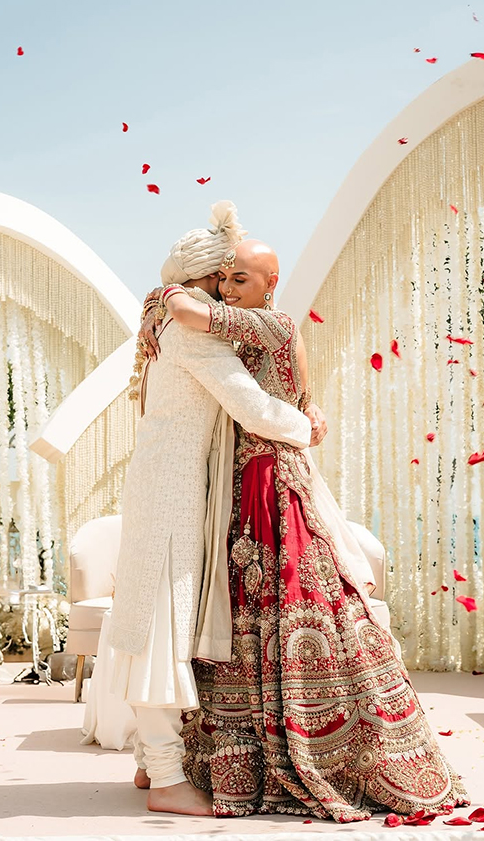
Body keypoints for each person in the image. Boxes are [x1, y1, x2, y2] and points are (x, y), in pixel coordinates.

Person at [158, 238, 469, 822]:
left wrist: (167, 288)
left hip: (270, 477)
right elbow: (299, 391)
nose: (228, 289)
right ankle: (241, 752)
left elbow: (186, 314)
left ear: (270, 284)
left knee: (299, 594)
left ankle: (330, 747)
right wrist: (310, 412)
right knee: (249, 605)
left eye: (241, 279)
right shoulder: (257, 328)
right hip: (247, 477)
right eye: (224, 279)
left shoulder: (269, 324)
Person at [107, 202, 316, 817]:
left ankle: (150, 765)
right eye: (222, 280)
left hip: (164, 487)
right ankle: (169, 779)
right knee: (160, 630)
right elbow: (253, 408)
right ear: (204, 282)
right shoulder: (190, 335)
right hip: (173, 493)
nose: (226, 294)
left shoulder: (160, 320)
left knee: (154, 619)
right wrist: (310, 425)